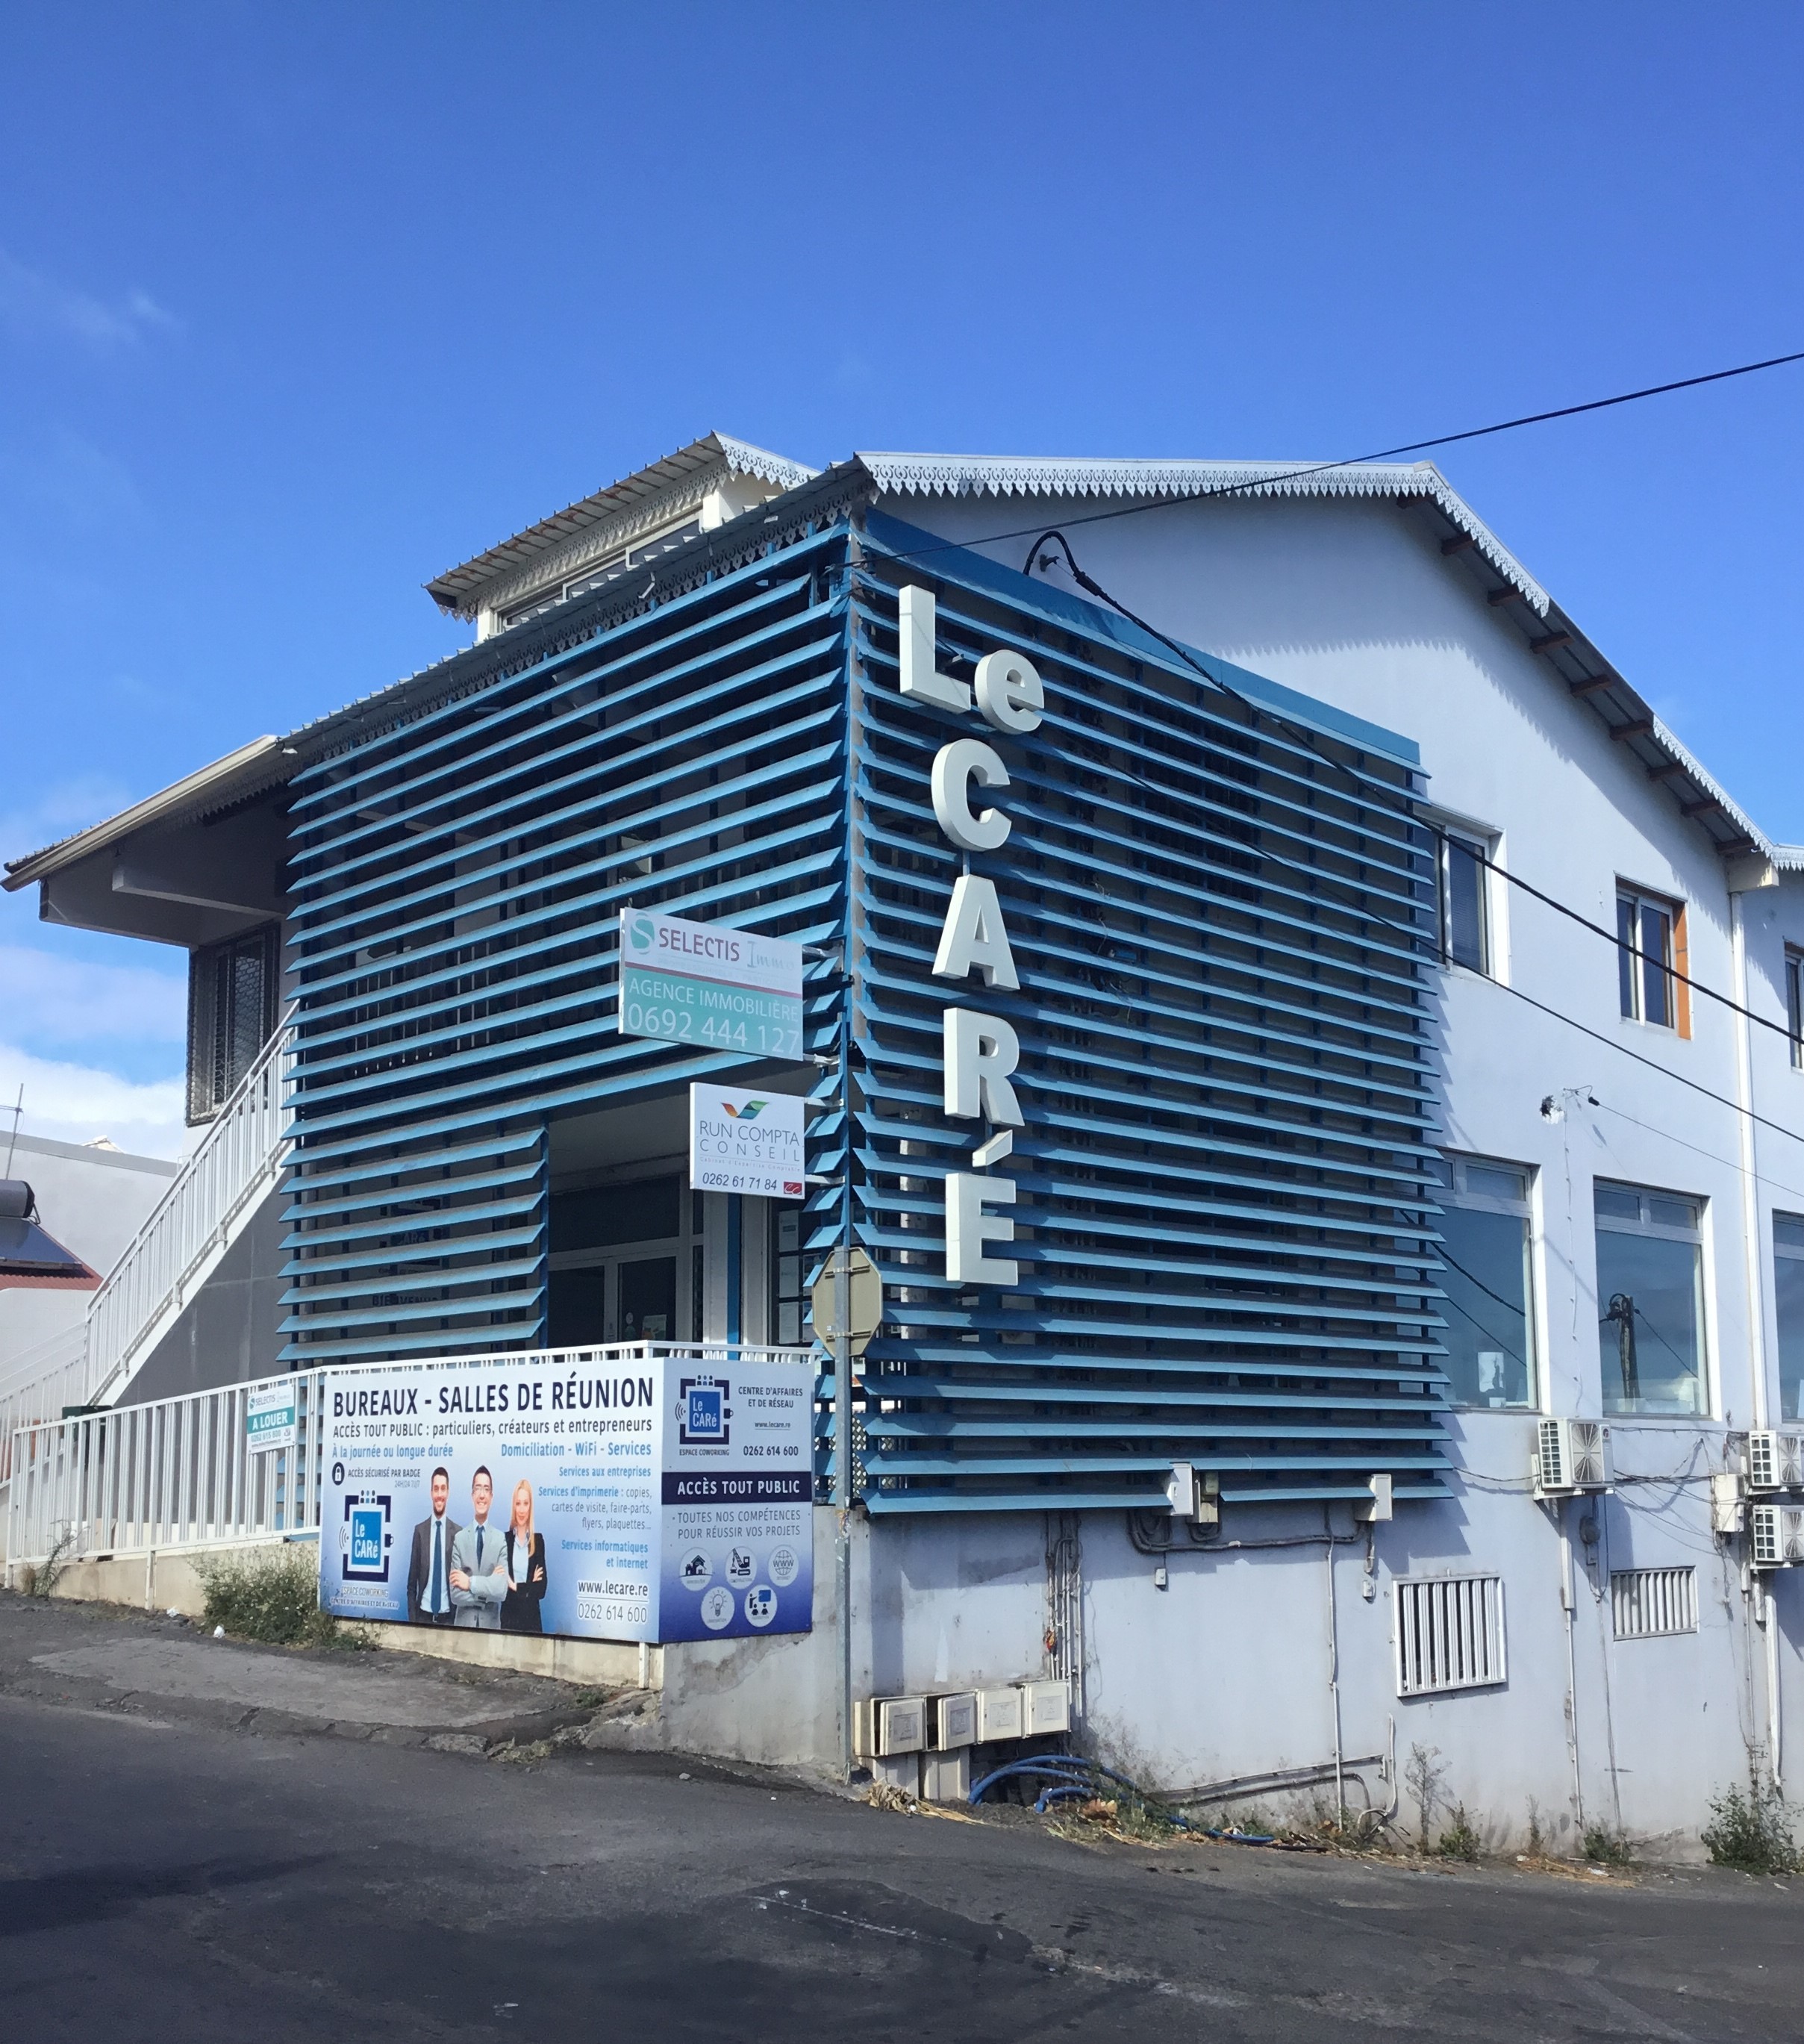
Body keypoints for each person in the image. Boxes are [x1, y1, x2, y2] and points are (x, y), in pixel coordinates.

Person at [448, 1465, 508, 1629]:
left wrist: (470, 1583)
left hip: (491, 1631)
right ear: (472, 1494)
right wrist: (487, 1591)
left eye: (486, 1489)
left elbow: (501, 1591)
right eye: (478, 1488)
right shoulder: (460, 1539)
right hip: (463, 1630)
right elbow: (455, 1595)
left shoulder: (500, 1539)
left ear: (492, 1496)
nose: (482, 1495)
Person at [405, 1465, 461, 1625]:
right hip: (423, 1618)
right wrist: (413, 1621)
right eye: (436, 1489)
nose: (439, 1494)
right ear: (431, 1493)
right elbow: (411, 1585)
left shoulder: (458, 1534)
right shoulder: (420, 1532)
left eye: (443, 1489)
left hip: (449, 1620)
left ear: (448, 1493)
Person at [501, 1477, 548, 1634]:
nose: (521, 1510)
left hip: (531, 1622)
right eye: (518, 1503)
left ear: (530, 1506)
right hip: (509, 1619)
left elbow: (541, 1589)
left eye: (525, 1504)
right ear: (513, 1506)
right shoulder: (504, 1540)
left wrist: (514, 1586)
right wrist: (529, 1587)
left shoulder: (538, 1541)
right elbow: (500, 1585)